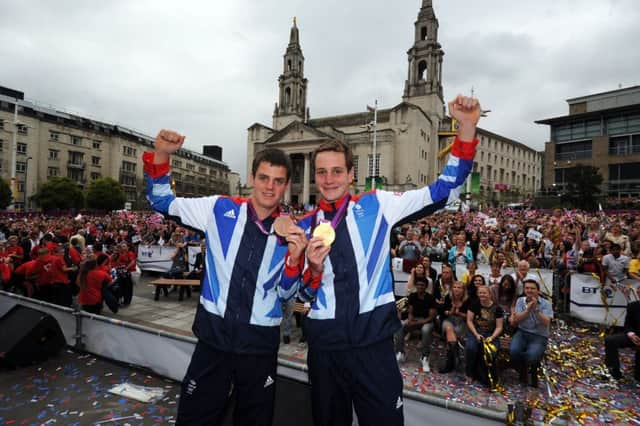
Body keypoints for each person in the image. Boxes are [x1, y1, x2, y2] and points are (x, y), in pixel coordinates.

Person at [289, 95, 481, 426]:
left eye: (337, 171)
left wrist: (465, 128)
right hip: (326, 346)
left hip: (373, 343)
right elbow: (300, 296)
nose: (329, 178)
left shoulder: (378, 205)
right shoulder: (303, 227)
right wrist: (314, 270)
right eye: (321, 172)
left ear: (351, 174)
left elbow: (445, 190)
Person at [143, 129, 304, 426]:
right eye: (264, 178)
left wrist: (295, 262)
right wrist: (163, 155)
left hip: (259, 345)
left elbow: (286, 293)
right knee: (194, 418)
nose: (270, 187)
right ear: (252, 178)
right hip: (214, 340)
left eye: (278, 181)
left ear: (287, 185)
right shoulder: (218, 209)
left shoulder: (293, 232)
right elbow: (161, 200)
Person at [509, 279, 553, 387]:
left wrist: (536, 309)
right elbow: (516, 320)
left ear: (538, 291)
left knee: (531, 356)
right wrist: (527, 310)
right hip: (522, 332)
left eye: (532, 288)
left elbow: (547, 322)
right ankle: (524, 371)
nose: (529, 290)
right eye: (527, 288)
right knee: (513, 352)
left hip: (539, 335)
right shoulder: (520, 301)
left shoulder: (546, 303)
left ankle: (527, 372)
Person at [394, 278, 438, 372]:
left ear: (425, 287)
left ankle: (425, 357)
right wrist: (410, 319)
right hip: (415, 319)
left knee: (426, 330)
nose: (420, 287)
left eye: (422, 285)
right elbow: (410, 310)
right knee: (400, 325)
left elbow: (431, 317)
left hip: (426, 321)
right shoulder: (412, 296)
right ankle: (400, 352)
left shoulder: (430, 298)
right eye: (418, 285)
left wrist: (416, 323)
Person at [465, 285, 504, 387]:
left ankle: (486, 375)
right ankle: (469, 372)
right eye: (480, 293)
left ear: (490, 294)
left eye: (484, 293)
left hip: (491, 334)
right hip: (475, 331)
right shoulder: (474, 305)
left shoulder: (497, 308)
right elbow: (469, 321)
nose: (482, 295)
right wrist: (476, 334)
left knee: (491, 351)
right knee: (471, 348)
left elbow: (499, 327)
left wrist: (492, 337)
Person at [604, 300, 640, 381]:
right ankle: (614, 370)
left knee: (638, 377)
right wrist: (632, 335)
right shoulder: (633, 306)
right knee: (610, 340)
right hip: (635, 336)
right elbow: (628, 325)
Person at [438, 281, 469, 374]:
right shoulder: (448, 297)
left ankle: (450, 360)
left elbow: (470, 316)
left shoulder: (468, 300)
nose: (456, 289)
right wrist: (450, 312)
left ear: (463, 290)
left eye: (459, 288)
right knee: (448, 329)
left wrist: (459, 313)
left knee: (452, 336)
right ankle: (454, 357)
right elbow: (443, 311)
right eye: (455, 287)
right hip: (449, 320)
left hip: (462, 322)